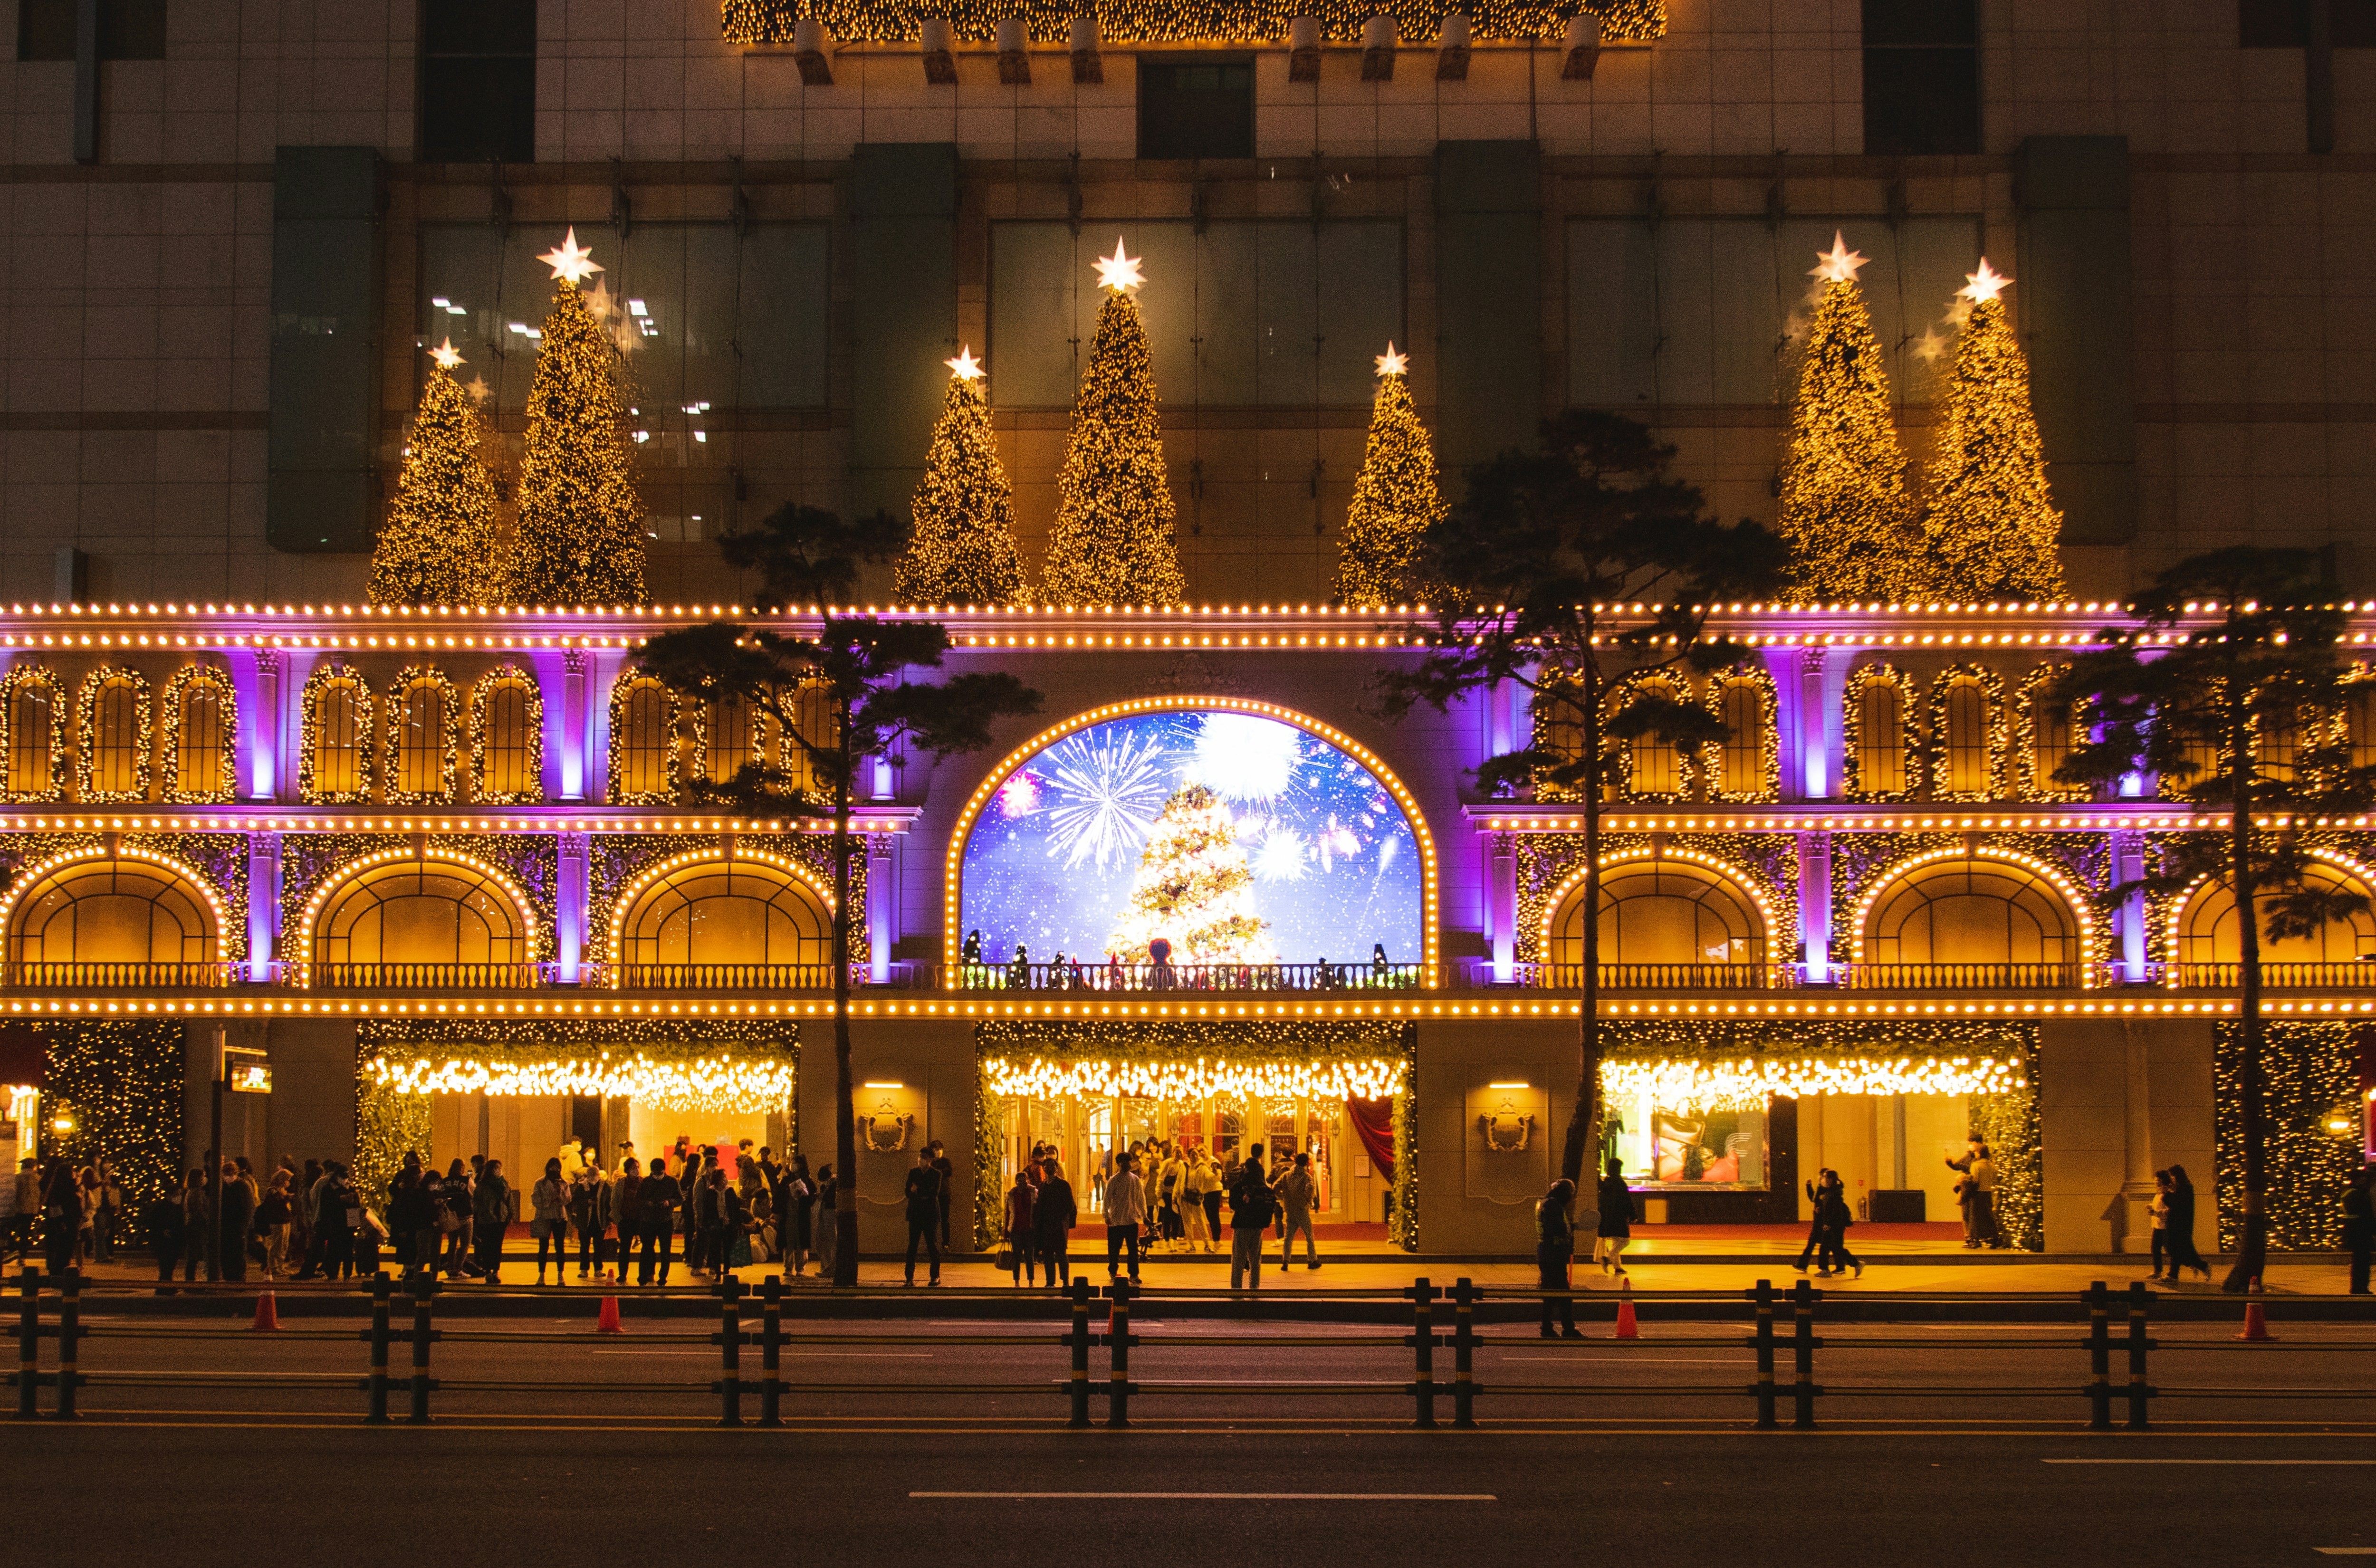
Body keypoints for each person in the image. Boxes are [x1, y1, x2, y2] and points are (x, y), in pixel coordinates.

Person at [1536, 1178, 1582, 1339]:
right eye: (1570, 1194)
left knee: (1550, 1294)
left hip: (1546, 1253)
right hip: (1554, 1255)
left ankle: (1547, 1328)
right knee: (1564, 1295)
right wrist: (1568, 1231)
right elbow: (1556, 1228)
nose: (1570, 1198)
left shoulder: (1544, 1202)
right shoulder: (1554, 1205)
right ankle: (1567, 1329)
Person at [1226, 1151, 1274, 1291]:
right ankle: (1254, 1287)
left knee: (1238, 1259)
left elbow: (1233, 1206)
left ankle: (1236, 1288)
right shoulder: (1264, 1187)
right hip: (1258, 1226)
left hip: (1242, 1224)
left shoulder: (1239, 1186)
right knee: (1255, 1259)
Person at [1947, 1138, 2004, 1249]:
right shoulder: (1991, 1165)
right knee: (1988, 1216)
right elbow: (1994, 1178)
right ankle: (1992, 1238)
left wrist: (1962, 1180)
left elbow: (1975, 1180)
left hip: (1977, 1194)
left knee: (1974, 1217)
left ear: (1979, 1153)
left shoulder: (1976, 1165)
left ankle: (1974, 1240)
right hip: (1988, 1193)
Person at [2162, 1164, 2211, 1281]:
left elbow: (2176, 1205)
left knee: (2178, 1249)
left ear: (2177, 1176)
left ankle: (2200, 1266)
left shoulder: (2185, 1188)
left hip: (2180, 1225)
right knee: (2176, 1249)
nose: (2171, 1178)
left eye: (2172, 1176)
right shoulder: (2181, 1187)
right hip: (2178, 1224)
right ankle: (2176, 1273)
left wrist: (2167, 1195)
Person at [1034, 1157, 1076, 1291]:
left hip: (1058, 1225)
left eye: (1051, 1166)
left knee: (1061, 1254)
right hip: (1046, 1226)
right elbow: (1039, 1207)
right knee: (1047, 1255)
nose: (1048, 1168)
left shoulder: (1063, 1185)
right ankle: (1050, 1281)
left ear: (1056, 1168)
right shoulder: (1042, 1186)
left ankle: (1065, 1280)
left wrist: (1060, 1218)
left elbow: (1069, 1205)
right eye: (1046, 1166)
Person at [1103, 1151, 1146, 1283]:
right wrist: (1107, 1215)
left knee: (1133, 1249)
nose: (1127, 1165)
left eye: (1128, 1162)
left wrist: (1144, 1216)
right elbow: (1107, 1199)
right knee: (1114, 1250)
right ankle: (1113, 1271)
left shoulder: (1135, 1180)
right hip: (1116, 1220)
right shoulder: (1114, 1180)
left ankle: (1134, 1274)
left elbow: (1140, 1199)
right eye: (1124, 1163)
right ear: (1119, 1164)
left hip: (1131, 1219)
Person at [903, 1148, 943, 1286]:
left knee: (932, 1246)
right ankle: (909, 1278)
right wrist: (917, 1191)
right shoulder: (913, 1172)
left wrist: (918, 1190)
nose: (921, 1159)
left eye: (924, 1157)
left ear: (930, 1160)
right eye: (920, 1156)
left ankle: (935, 1276)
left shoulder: (936, 1174)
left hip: (930, 1215)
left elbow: (933, 1193)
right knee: (912, 1247)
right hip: (915, 1214)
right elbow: (908, 1192)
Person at [1277, 1151, 1321, 1271]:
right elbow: (1310, 1188)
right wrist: (1307, 1200)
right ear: (1306, 1163)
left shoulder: (1287, 1175)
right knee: (1309, 1236)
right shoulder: (1307, 1177)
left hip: (1290, 1210)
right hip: (1301, 1210)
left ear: (1295, 1162)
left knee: (1288, 1237)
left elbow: (1276, 1185)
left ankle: (1285, 1262)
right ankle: (1312, 1260)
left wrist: (1281, 1198)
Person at [1815, 1170, 1862, 1279]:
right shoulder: (1831, 1191)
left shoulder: (1835, 1193)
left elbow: (1836, 1211)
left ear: (1831, 1179)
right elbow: (1829, 1208)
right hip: (1833, 1225)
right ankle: (1854, 1264)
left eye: (1826, 1178)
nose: (1824, 1180)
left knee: (1832, 1248)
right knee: (1833, 1248)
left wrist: (1829, 1224)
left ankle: (1854, 1264)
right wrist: (1821, 1209)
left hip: (1834, 1226)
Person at [472, 1158, 513, 1282]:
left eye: (500, 1168)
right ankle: (488, 1271)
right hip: (487, 1219)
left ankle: (495, 1271)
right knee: (487, 1246)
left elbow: (509, 1201)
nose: (499, 1171)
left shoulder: (503, 1184)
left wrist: (510, 1215)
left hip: (501, 1219)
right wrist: (479, 1217)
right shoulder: (483, 1185)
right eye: (496, 1168)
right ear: (491, 1170)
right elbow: (477, 1203)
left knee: (497, 1247)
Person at [144, 1176, 186, 1294]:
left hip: (173, 1241)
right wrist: (162, 1231)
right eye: (176, 1195)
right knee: (166, 1265)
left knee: (170, 1265)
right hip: (164, 1243)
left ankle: (166, 1285)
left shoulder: (176, 1207)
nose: (179, 1197)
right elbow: (153, 1222)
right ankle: (164, 1286)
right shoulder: (161, 1207)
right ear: (169, 1195)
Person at [643, 1156, 681, 1285]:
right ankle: (650, 1273)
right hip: (649, 1220)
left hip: (666, 1220)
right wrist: (647, 1203)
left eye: (659, 1172)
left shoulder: (672, 1182)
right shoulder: (646, 1182)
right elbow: (639, 1199)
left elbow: (679, 1199)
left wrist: (668, 1202)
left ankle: (663, 1276)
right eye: (655, 1172)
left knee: (665, 1250)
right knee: (649, 1248)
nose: (657, 1175)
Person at [1595, 1157, 1637, 1275]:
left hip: (1608, 1217)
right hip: (1619, 1216)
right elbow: (1627, 1201)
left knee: (1616, 1241)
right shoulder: (1619, 1183)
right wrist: (1633, 1216)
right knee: (1625, 1241)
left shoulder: (1606, 1182)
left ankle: (1618, 1267)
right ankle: (1607, 1258)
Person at [530, 1158, 568, 1285]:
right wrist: (548, 1202)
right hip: (544, 1216)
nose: (555, 1170)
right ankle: (541, 1275)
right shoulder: (540, 1183)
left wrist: (560, 1196)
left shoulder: (563, 1183)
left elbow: (568, 1199)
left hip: (559, 1217)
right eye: (552, 1167)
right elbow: (535, 1199)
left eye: (557, 1167)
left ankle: (560, 1275)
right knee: (543, 1247)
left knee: (560, 1246)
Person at [215, 1158, 254, 1283]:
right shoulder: (222, 1186)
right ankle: (229, 1276)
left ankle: (239, 1277)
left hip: (238, 1225)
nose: (229, 1176)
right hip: (225, 1225)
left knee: (238, 1252)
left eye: (231, 1174)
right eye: (226, 1174)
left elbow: (249, 1207)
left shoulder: (243, 1186)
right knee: (226, 1252)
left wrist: (245, 1225)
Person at [256, 1170, 294, 1280]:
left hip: (285, 1220)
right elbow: (275, 1205)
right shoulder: (273, 1191)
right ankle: (274, 1266)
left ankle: (281, 1266)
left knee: (284, 1245)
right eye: (287, 1180)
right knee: (277, 1245)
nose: (288, 1182)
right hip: (278, 1221)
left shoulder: (282, 1191)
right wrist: (286, 1198)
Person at [782, 1154, 815, 1278]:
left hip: (802, 1216)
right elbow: (780, 1197)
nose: (793, 1165)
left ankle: (800, 1268)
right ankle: (788, 1267)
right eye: (792, 1162)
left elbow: (812, 1197)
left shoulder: (807, 1181)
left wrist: (804, 1195)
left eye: (795, 1163)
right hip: (789, 1216)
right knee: (789, 1242)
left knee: (801, 1243)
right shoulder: (786, 1180)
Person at [1003, 1167, 1036, 1286]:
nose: (1022, 1183)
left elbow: (1036, 1210)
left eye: (1024, 1180)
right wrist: (1006, 1230)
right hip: (1016, 1230)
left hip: (1029, 1229)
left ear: (1027, 1181)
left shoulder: (1033, 1193)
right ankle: (1016, 1281)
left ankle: (1031, 1281)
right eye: (1019, 1180)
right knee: (1016, 1257)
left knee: (1029, 1257)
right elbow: (1007, 1213)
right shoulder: (1012, 1194)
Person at [2345, 1164, 2374, 1296]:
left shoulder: (2351, 1193)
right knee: (2362, 1261)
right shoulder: (2356, 1194)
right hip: (2360, 1233)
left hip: (2356, 1233)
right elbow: (2365, 1214)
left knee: (2360, 1261)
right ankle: (2360, 1287)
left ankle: (2359, 1286)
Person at [813, 1164, 838, 1279]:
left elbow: (831, 1199)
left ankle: (829, 1268)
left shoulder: (833, 1184)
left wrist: (822, 1196)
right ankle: (826, 1268)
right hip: (827, 1213)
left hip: (829, 1213)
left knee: (829, 1241)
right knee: (827, 1241)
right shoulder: (832, 1183)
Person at [2147, 1169, 2173, 1280]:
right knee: (2155, 1249)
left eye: (2157, 1179)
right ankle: (2158, 1271)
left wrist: (2156, 1213)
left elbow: (2169, 1211)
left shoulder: (2168, 1194)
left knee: (2170, 1250)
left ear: (2162, 1181)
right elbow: (2159, 1207)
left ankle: (2192, 1264)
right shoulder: (2159, 1194)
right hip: (2157, 1226)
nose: (2155, 1181)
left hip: (2165, 1227)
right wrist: (2151, 1207)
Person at [930, 1140, 956, 1249]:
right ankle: (933, 1243)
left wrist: (937, 1172)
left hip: (944, 1194)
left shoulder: (946, 1161)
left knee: (945, 1220)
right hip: (933, 1195)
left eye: (940, 1149)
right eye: (936, 1150)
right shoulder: (930, 1162)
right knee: (933, 1220)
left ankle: (946, 1243)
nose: (939, 1152)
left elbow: (948, 1172)